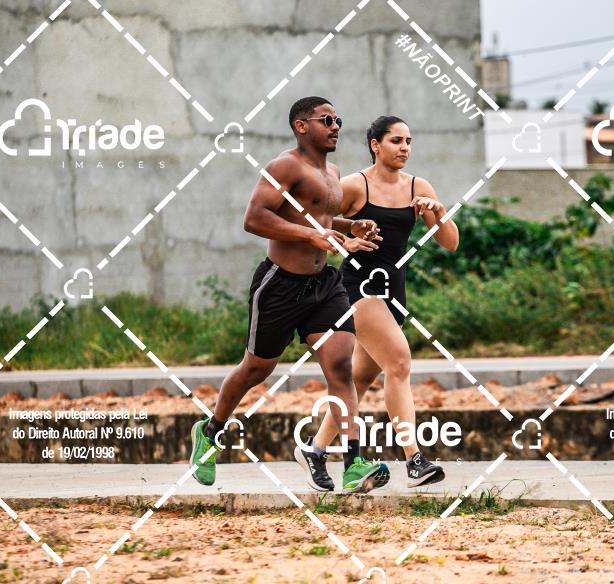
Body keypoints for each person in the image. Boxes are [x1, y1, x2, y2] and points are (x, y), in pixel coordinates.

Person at [189, 97, 389, 494]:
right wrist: (311, 235)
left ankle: (353, 462)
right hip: (280, 286)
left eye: (338, 119)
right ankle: (209, 433)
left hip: (324, 285)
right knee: (256, 370)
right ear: (301, 126)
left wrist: (348, 227)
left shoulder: (332, 172)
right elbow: (255, 218)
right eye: (326, 120)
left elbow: (318, 217)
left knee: (341, 368)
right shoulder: (285, 166)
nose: (336, 126)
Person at [295, 116, 459, 490]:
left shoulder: (418, 187)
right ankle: (414, 460)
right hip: (357, 288)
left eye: (409, 141)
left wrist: (437, 211)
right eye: (396, 140)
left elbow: (450, 243)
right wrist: (345, 237)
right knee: (399, 361)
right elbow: (312, 219)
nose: (404, 148)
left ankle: (315, 449)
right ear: (375, 145)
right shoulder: (355, 185)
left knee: (359, 379)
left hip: (393, 292)